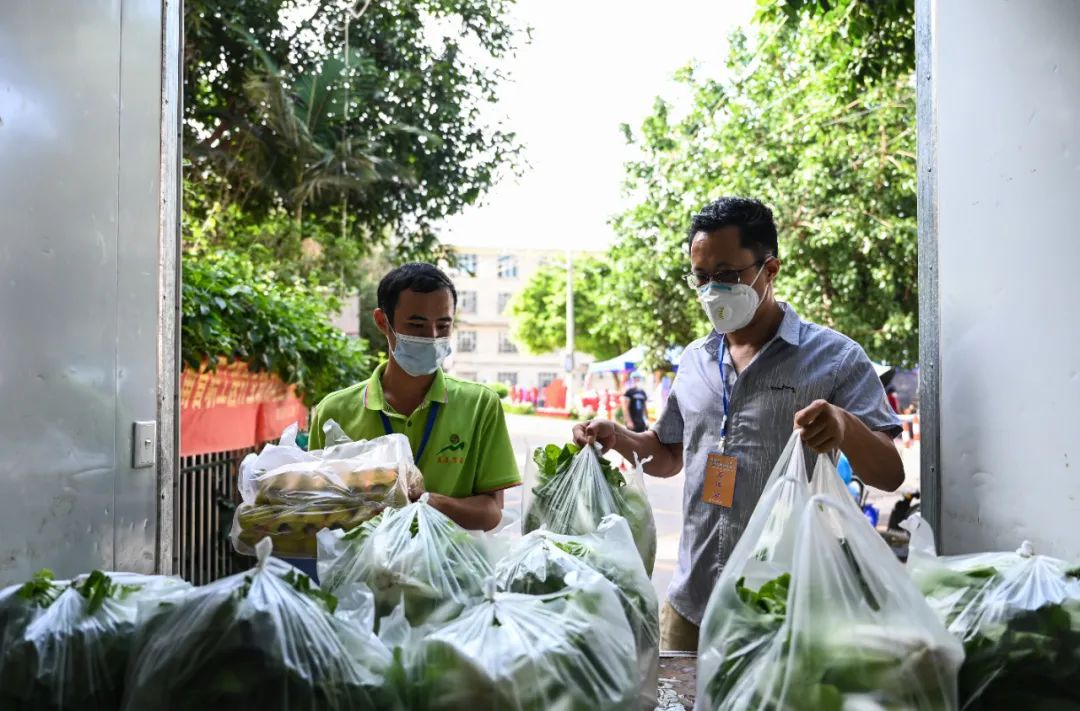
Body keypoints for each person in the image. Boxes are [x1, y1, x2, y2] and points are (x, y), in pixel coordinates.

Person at [573, 197, 903, 651]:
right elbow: (668, 454)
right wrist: (621, 439)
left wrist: (845, 426)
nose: (712, 290)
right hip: (693, 606)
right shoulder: (695, 360)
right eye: (702, 277)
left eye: (727, 276)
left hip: (784, 610)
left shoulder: (836, 359)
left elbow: (889, 473)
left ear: (770, 270)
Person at [310, 263, 522, 532]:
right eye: (416, 325)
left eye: (443, 325)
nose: (432, 337)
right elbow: (316, 508)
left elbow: (491, 513)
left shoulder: (480, 404)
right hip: (360, 571)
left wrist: (427, 502)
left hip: (450, 571)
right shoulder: (335, 410)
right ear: (381, 322)